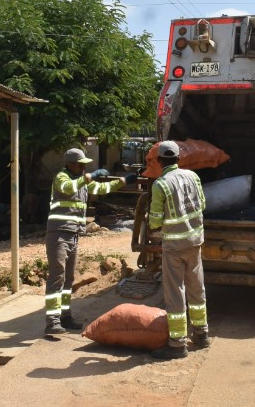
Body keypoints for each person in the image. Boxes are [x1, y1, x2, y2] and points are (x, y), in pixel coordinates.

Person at [45, 147, 137, 336]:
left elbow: (103, 188)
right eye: (81, 165)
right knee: (57, 276)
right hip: (59, 234)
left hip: (74, 234)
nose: (84, 168)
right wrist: (91, 176)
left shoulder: (83, 182)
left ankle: (65, 316)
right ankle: (52, 321)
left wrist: (125, 180)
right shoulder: (62, 178)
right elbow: (69, 188)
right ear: (71, 164)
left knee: (69, 278)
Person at [148, 140, 210, 359]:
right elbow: (202, 205)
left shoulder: (160, 184)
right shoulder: (193, 176)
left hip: (174, 246)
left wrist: (155, 222)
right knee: (196, 287)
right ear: (178, 158)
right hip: (195, 241)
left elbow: (155, 220)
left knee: (175, 292)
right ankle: (201, 334)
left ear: (159, 161)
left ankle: (177, 344)